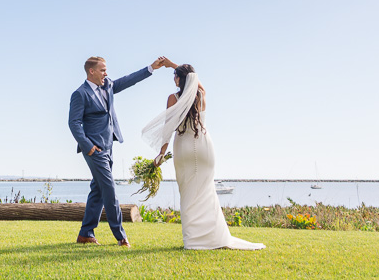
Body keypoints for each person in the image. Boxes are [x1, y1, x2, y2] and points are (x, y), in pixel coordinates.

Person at [143, 63, 265, 251]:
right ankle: (212, 237)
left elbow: (167, 129)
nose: (173, 78)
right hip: (203, 146)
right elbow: (197, 83)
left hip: (183, 147)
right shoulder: (200, 96)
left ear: (179, 79)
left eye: (175, 75)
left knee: (188, 193)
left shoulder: (172, 98)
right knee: (207, 192)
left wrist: (161, 153)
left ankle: (193, 240)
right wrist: (175, 66)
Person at [68, 55, 174, 247]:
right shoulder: (80, 94)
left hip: (109, 146)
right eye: (102, 70)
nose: (106, 73)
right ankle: (121, 236)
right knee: (109, 189)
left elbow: (127, 81)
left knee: (98, 190)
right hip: (94, 149)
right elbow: (74, 123)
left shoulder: (107, 85)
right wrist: (89, 147)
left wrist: (150, 68)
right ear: (91, 71)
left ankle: (85, 233)